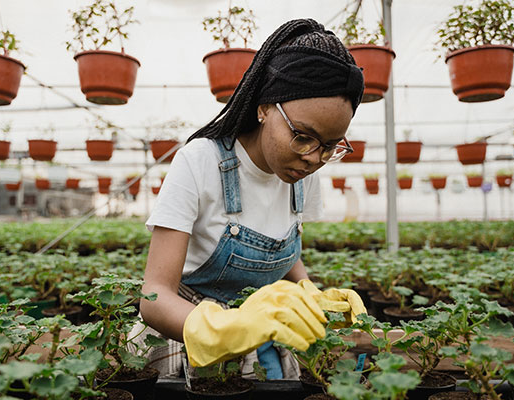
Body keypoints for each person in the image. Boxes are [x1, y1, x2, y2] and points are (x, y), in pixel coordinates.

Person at [135, 18, 367, 380]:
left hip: (261, 331)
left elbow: (283, 245)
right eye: (303, 137)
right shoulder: (201, 162)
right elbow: (154, 296)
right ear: (264, 106)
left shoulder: (303, 174)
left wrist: (309, 292)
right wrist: (227, 328)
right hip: (184, 329)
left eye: (329, 146)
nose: (313, 159)